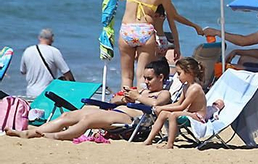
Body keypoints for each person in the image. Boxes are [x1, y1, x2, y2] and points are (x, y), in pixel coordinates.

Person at [7, 59, 171, 140]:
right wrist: (123, 98)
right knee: (69, 115)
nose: (146, 82)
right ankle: (27, 133)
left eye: (150, 78)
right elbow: (113, 102)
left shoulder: (164, 94)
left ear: (161, 77)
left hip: (131, 119)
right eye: (145, 78)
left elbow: (156, 105)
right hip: (116, 111)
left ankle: (57, 136)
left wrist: (137, 97)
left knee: (88, 119)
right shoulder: (142, 90)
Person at [115, 0, 205, 91]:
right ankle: (139, 103)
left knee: (126, 75)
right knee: (142, 76)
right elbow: (173, 17)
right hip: (145, 31)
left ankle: (123, 101)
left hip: (127, 29)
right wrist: (183, 38)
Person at [143, 57, 213, 148]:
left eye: (179, 73)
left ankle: (170, 144)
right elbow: (178, 103)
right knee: (163, 113)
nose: (177, 76)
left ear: (189, 73)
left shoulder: (195, 88)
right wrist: (162, 108)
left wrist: (162, 107)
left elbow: (182, 107)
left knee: (173, 115)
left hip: (197, 116)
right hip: (189, 113)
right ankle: (149, 140)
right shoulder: (186, 86)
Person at [18, 28, 74, 100]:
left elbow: (23, 71)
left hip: (30, 93)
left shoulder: (27, 51)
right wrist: (74, 86)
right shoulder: (54, 51)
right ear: (52, 39)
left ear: (39, 37)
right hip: (47, 94)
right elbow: (66, 72)